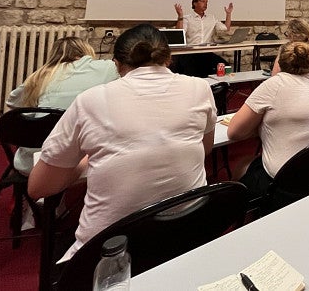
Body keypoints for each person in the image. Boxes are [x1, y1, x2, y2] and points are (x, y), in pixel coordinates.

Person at [28, 24, 216, 262]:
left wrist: (85, 163)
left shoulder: (90, 101)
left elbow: (38, 188)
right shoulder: (200, 87)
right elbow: (205, 148)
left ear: (116, 64)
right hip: (189, 235)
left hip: (112, 252)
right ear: (169, 59)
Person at [227, 41, 309, 199]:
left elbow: (234, 132)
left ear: (279, 63)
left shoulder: (274, 85)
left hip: (285, 183)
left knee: (242, 165)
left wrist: (260, 127)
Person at [6, 37, 120, 175]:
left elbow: (13, 103)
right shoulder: (107, 68)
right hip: (86, 158)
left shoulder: (40, 76)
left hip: (36, 161)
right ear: (86, 51)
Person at [171, 0, 234, 77]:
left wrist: (228, 14)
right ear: (195, 3)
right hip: (191, 53)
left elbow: (225, 28)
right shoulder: (187, 18)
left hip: (206, 52)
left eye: (207, 2)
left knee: (226, 67)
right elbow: (179, 33)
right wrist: (180, 16)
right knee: (194, 72)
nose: (206, 4)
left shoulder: (211, 18)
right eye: (203, 1)